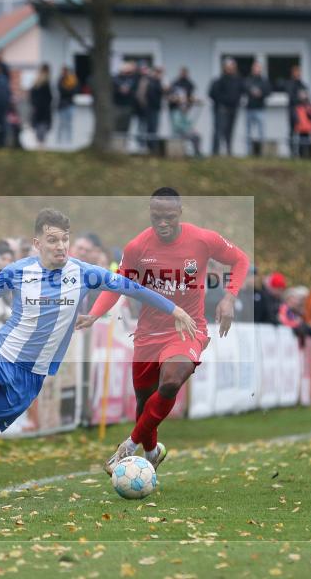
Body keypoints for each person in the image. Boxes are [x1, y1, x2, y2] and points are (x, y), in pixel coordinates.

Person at [0, 207, 196, 501]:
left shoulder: (84, 273)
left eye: (64, 240)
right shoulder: (18, 271)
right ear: (37, 242)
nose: (60, 246)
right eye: (52, 240)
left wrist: (175, 309)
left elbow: (132, 288)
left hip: (29, 379)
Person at [77, 188, 250, 474]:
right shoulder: (137, 248)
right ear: (150, 214)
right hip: (148, 334)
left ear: (180, 213)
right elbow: (118, 284)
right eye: (157, 217)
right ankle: (151, 452)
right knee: (145, 404)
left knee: (170, 382)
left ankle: (128, 447)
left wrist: (229, 298)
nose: (163, 223)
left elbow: (240, 260)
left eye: (169, 217)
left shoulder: (203, 239)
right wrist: (95, 315)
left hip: (187, 329)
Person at [208, 58, 243, 156]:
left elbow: (243, 91)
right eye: (228, 67)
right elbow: (212, 94)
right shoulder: (218, 81)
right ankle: (215, 152)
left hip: (233, 109)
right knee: (219, 131)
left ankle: (229, 151)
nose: (231, 69)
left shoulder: (238, 80)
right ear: (224, 68)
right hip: (221, 109)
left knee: (230, 131)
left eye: (232, 67)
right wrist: (223, 101)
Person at [167, 71, 201, 157]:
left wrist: (191, 128)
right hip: (180, 132)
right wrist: (188, 130)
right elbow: (178, 126)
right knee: (194, 136)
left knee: (197, 135)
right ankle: (194, 154)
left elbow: (187, 123)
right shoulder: (176, 113)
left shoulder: (184, 112)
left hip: (185, 130)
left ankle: (197, 153)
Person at [244, 61, 271, 156]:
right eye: (255, 68)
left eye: (258, 68)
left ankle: (261, 152)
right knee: (248, 133)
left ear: (261, 69)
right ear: (252, 69)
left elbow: (268, 92)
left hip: (260, 109)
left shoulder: (264, 81)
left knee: (261, 132)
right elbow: (244, 89)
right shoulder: (248, 80)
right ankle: (248, 152)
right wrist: (251, 92)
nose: (256, 70)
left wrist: (261, 93)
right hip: (249, 109)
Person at [284, 64, 307, 156]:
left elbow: (307, 98)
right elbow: (291, 97)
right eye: (296, 72)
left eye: (299, 72)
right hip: (292, 111)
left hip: (302, 112)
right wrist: (299, 97)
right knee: (292, 132)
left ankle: (303, 153)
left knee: (303, 132)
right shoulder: (290, 84)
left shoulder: (303, 85)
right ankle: (293, 152)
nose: (298, 74)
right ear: (293, 73)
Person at [112, 62, 138, 137]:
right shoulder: (115, 78)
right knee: (116, 126)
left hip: (128, 106)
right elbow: (111, 90)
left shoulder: (133, 79)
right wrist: (119, 90)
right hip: (117, 106)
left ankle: (123, 145)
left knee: (125, 128)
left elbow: (135, 90)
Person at [29, 63, 53, 147]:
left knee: (38, 124)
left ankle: (39, 141)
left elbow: (32, 94)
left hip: (37, 107)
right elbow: (49, 96)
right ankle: (41, 142)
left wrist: (33, 103)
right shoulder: (46, 82)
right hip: (44, 108)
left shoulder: (36, 81)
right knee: (43, 124)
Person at [56, 66, 78, 145]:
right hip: (62, 105)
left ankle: (69, 141)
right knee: (61, 124)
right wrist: (69, 89)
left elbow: (75, 90)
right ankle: (59, 141)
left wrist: (69, 89)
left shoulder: (73, 80)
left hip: (70, 105)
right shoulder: (61, 80)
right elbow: (62, 91)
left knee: (69, 124)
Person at [292, 90, 311, 159]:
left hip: (308, 127)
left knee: (309, 143)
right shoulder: (297, 105)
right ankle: (301, 156)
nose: (302, 96)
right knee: (300, 143)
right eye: (301, 94)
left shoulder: (309, 105)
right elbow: (295, 116)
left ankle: (309, 156)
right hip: (300, 127)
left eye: (303, 94)